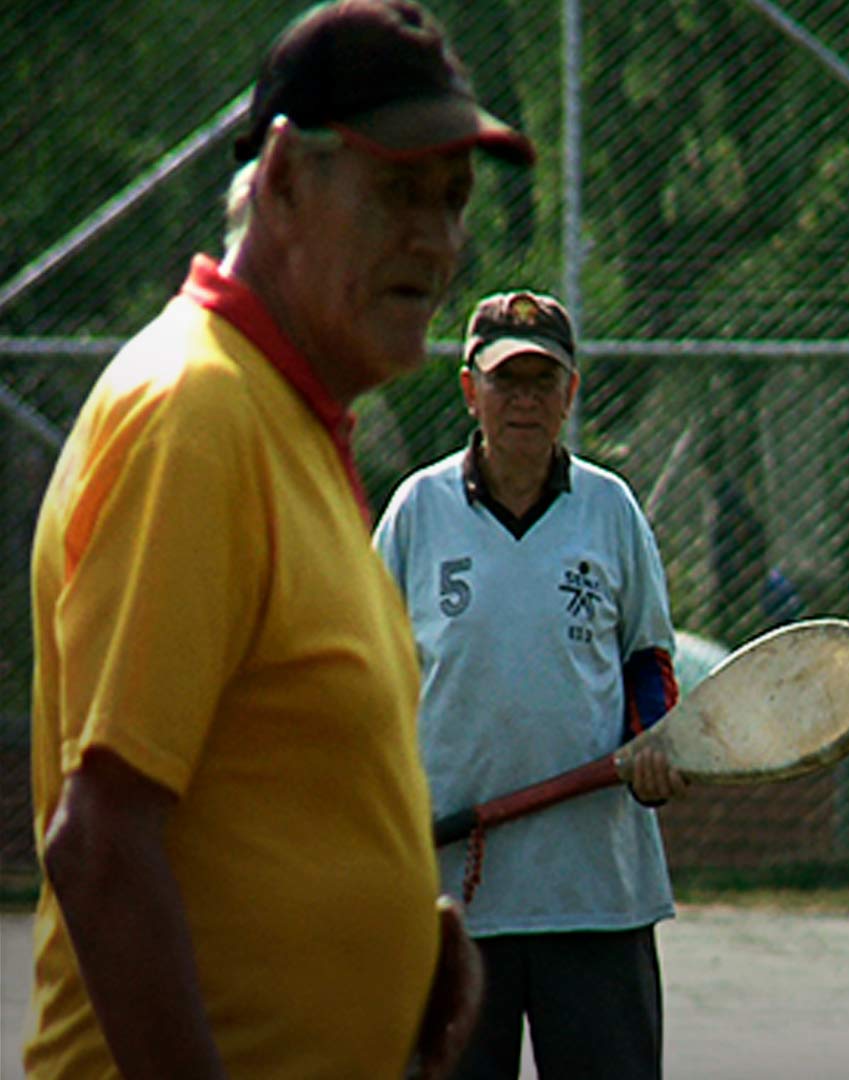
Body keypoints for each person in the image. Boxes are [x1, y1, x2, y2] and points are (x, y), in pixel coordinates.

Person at [24, 2, 533, 1075]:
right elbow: (102, 843)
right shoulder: (198, 414)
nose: (436, 241)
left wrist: (391, 947)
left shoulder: (285, 418)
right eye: (399, 192)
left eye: (452, 201)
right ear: (287, 180)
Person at [375, 290, 688, 1079]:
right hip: (449, 895)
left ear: (570, 392)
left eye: (542, 381)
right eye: (505, 381)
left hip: (594, 889)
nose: (524, 401)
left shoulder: (610, 509)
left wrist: (652, 741)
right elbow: (369, 677)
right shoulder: (418, 510)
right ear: (469, 390)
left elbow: (648, 660)